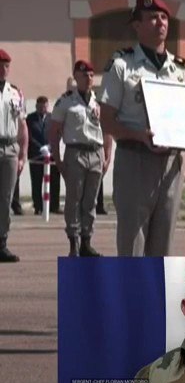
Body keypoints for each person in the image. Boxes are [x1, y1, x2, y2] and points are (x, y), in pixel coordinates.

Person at [99, 0, 185, 257]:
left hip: (170, 164)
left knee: (163, 246)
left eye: (164, 17)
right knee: (133, 244)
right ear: (137, 25)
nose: (160, 22)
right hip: (135, 159)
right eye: (153, 17)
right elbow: (106, 118)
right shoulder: (122, 65)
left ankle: (156, 297)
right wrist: (137, 135)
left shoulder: (181, 68)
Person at [49, 60, 111, 257]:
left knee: (90, 201)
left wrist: (108, 155)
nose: (88, 78)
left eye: (91, 75)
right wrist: (57, 159)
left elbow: (107, 130)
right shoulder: (66, 101)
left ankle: (87, 241)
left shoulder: (99, 101)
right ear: (75, 76)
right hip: (75, 152)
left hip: (95, 152)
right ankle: (73, 242)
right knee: (74, 199)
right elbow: (54, 132)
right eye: (84, 75)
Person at [0, 48, 27, 262]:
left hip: (9, 149)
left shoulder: (15, 93)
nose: (3, 69)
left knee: (6, 199)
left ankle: (2, 242)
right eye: (0, 65)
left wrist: (23, 154)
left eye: (6, 66)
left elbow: (22, 125)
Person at [26, 96, 61, 215]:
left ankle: (54, 206)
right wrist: (40, 148)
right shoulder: (30, 119)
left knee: (54, 181)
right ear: (36, 106)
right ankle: (38, 206)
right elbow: (29, 135)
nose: (43, 108)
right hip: (36, 155)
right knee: (36, 181)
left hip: (51, 155)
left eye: (45, 106)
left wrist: (50, 147)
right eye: (40, 106)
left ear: (48, 106)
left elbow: (57, 133)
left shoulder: (52, 118)